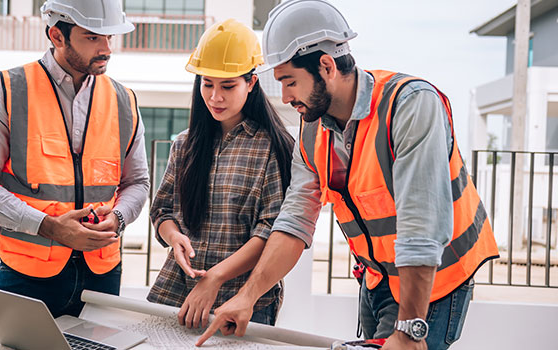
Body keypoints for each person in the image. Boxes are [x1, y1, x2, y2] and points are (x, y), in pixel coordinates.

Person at [197, 1, 499, 349]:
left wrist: (410, 327)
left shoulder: (410, 105)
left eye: (290, 81)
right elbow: (294, 221)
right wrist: (247, 296)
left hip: (434, 282)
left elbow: (422, 224)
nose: (284, 96)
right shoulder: (312, 130)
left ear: (326, 66)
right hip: (377, 280)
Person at [0, 0, 149, 339]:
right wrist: (49, 227)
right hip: (26, 274)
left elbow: (137, 183)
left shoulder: (124, 100)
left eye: (109, 37)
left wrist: (118, 218)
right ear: (56, 35)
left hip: (102, 272)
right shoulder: (5, 91)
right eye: (92, 37)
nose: (106, 48)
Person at [146, 19, 295, 329]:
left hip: (242, 302)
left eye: (228, 86)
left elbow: (270, 232)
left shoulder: (273, 149)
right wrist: (175, 239)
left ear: (252, 83)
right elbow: (162, 211)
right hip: (178, 293)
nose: (215, 97)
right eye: (207, 84)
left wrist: (215, 277)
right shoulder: (185, 144)